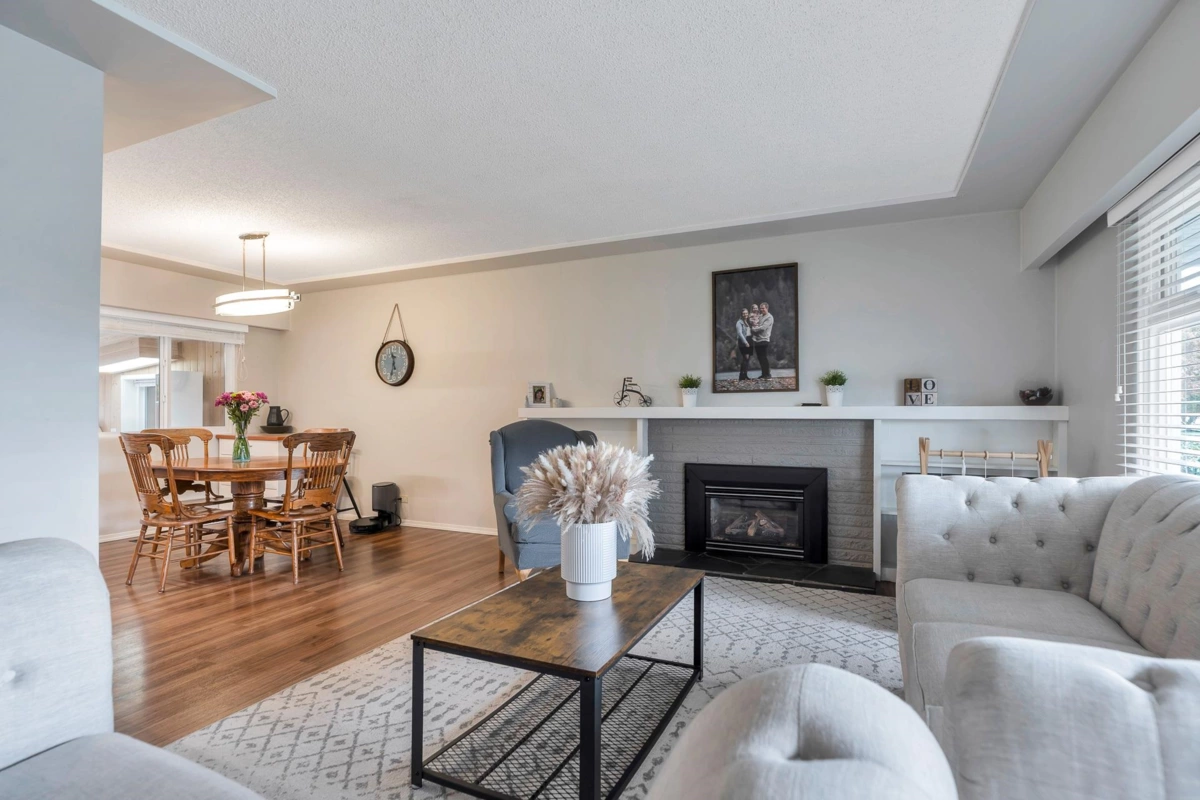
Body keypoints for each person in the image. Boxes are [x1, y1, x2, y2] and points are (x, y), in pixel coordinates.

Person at [752, 301, 774, 379]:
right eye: (760, 308)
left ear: (767, 308)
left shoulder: (769, 317)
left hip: (764, 339)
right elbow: (755, 323)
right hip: (757, 340)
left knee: (763, 357)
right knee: (759, 357)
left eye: (763, 308)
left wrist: (753, 330)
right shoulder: (760, 316)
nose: (761, 310)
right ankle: (763, 374)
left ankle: (768, 374)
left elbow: (763, 328)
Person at [735, 308, 753, 381]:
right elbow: (740, 333)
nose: (745, 314)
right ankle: (742, 376)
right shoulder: (739, 322)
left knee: (747, 359)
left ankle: (744, 375)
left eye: (746, 313)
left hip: (749, 340)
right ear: (741, 314)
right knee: (745, 358)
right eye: (744, 313)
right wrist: (745, 342)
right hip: (743, 341)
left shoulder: (747, 321)